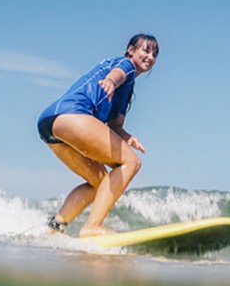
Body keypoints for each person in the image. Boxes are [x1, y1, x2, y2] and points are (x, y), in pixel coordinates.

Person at [36, 34, 159, 237]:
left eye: (155, 54)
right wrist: (111, 81)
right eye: (146, 50)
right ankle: (93, 227)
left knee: (99, 182)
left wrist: (127, 136)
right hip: (72, 114)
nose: (151, 57)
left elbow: (115, 125)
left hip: (51, 125)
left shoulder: (127, 91)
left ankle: (54, 229)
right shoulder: (125, 64)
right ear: (131, 50)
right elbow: (118, 73)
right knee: (131, 163)